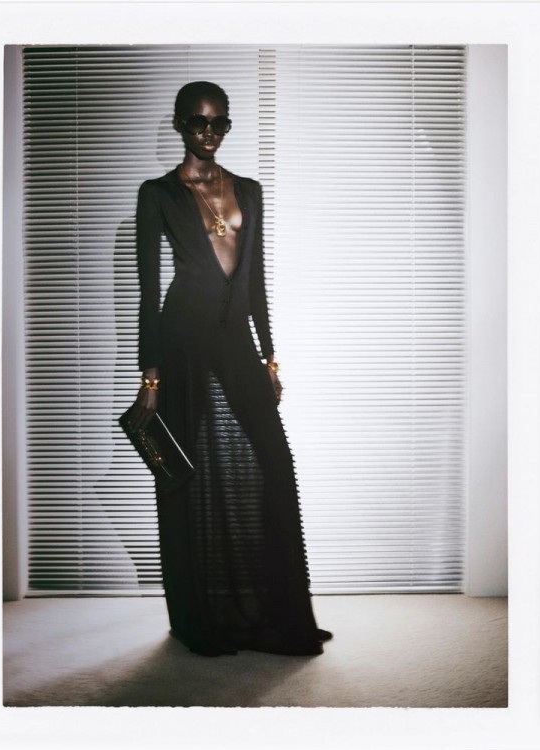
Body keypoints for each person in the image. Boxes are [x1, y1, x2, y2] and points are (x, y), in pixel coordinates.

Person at [131, 80, 332, 656]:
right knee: (185, 473)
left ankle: (282, 614)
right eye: (199, 122)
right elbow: (150, 293)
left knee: (275, 464)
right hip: (183, 339)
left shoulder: (248, 190)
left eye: (219, 123)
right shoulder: (158, 194)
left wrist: (269, 355)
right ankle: (197, 618)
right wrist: (150, 378)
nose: (209, 133)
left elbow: (254, 279)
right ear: (180, 125)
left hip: (235, 339)